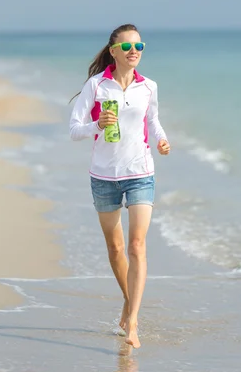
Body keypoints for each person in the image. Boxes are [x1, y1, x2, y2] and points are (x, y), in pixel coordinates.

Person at [69, 23, 170, 349]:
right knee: (115, 249)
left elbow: (152, 121)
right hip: (103, 176)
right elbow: (74, 129)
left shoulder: (149, 87)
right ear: (113, 51)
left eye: (139, 47)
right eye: (127, 47)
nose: (134, 52)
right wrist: (97, 124)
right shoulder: (96, 86)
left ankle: (133, 321)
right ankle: (129, 301)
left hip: (140, 171)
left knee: (137, 246)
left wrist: (162, 139)